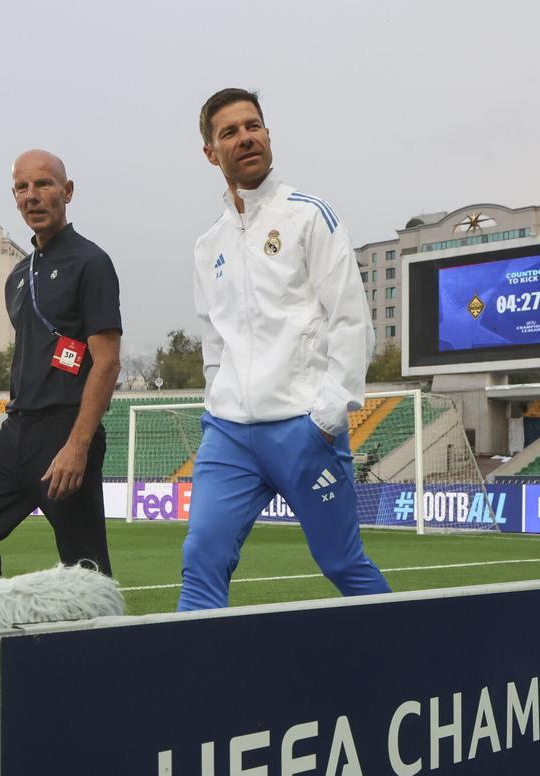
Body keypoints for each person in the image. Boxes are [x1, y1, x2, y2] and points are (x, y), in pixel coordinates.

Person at [177, 88, 392, 611]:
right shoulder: (209, 246)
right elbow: (214, 339)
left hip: (303, 428)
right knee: (201, 558)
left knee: (341, 563)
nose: (245, 137)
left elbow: (349, 320)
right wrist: (217, 399)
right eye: (229, 131)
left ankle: (417, 663)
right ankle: (191, 686)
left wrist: (324, 418)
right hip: (229, 433)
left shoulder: (309, 215)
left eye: (253, 126)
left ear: (268, 135)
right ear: (211, 152)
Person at [0, 149, 122, 586]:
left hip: (65, 431)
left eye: (44, 184)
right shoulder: (17, 274)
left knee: (86, 569)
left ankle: (97, 650)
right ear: (14, 196)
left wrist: (77, 446)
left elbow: (106, 362)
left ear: (67, 191)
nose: (33, 196)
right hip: (16, 432)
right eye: (23, 187)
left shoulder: (91, 263)